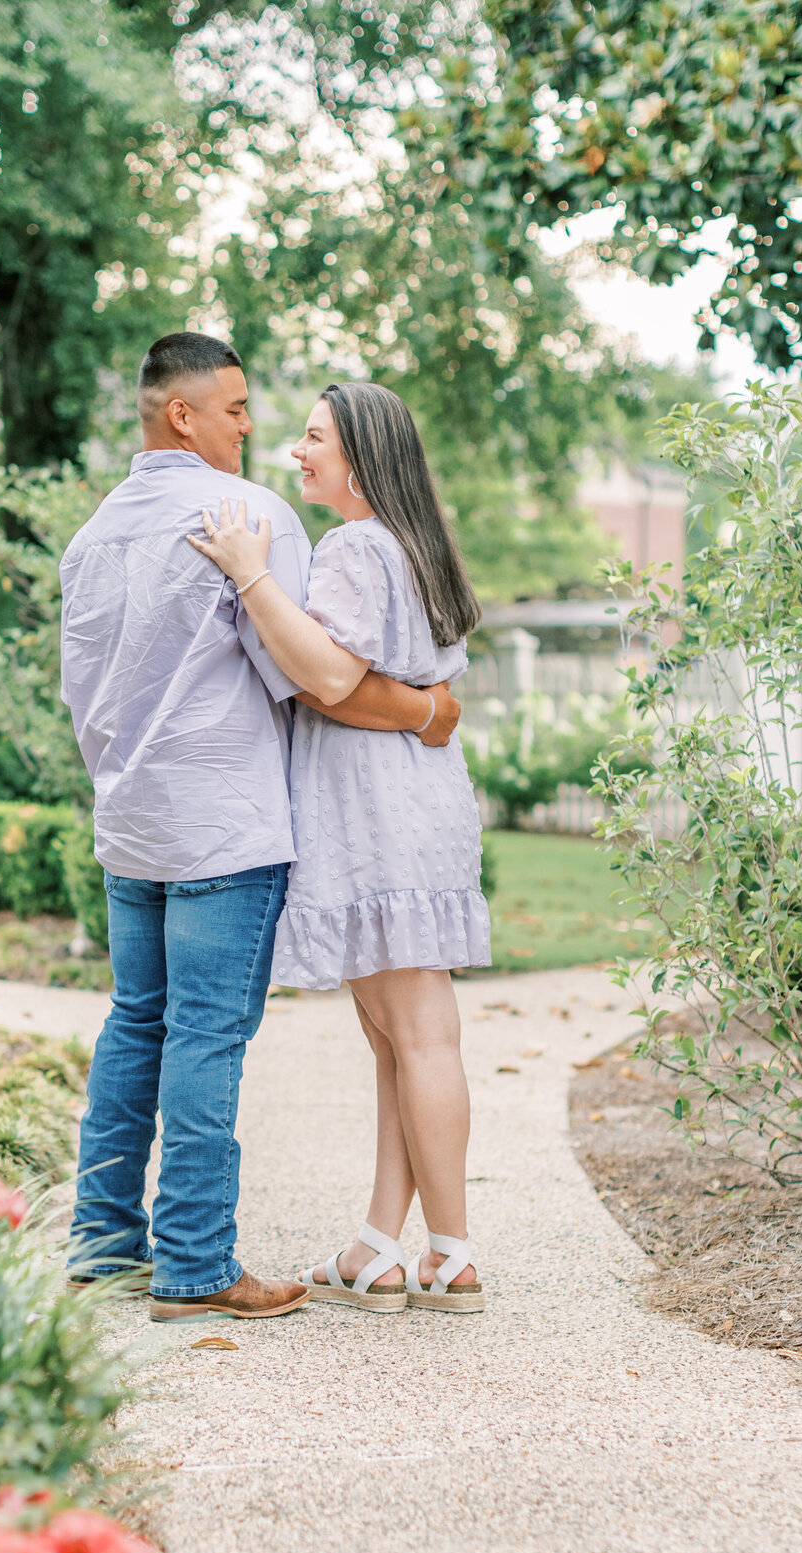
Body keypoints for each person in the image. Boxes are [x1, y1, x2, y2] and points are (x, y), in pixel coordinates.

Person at [59, 334, 463, 1323]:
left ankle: (104, 1242)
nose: (255, 429)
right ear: (182, 414)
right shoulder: (249, 520)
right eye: (235, 409)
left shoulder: (92, 535)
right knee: (205, 1035)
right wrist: (430, 708)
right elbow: (317, 678)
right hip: (224, 829)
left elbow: (82, 690)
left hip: (131, 823)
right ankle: (195, 1266)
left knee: (133, 1023)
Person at [189, 380, 491, 1315]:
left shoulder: (357, 545)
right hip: (415, 800)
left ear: (358, 456)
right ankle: (377, 1243)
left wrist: (250, 573)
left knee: (421, 1035)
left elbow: (326, 677)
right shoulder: (411, 545)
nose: (296, 451)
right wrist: (428, 711)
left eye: (314, 438)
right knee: (398, 1041)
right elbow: (407, 690)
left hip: (377, 811)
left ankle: (451, 1255)